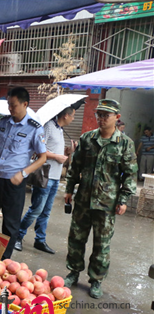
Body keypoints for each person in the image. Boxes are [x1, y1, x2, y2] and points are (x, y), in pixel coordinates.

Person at [63, 99, 137, 299]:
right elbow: (75, 167)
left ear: (117, 117)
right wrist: (69, 189)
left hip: (107, 203)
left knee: (102, 244)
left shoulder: (125, 144)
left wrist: (123, 199)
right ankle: (73, 272)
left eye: (106, 115)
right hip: (83, 200)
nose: (101, 118)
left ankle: (96, 280)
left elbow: (130, 175)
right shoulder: (87, 139)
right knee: (76, 238)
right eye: (99, 114)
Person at [0, 87, 47, 262]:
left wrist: (23, 173)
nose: (10, 109)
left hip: (13, 182)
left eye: (13, 105)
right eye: (9, 105)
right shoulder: (4, 123)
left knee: (10, 223)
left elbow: (42, 157)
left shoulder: (34, 128)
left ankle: (3, 260)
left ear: (25, 104)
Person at [15, 106, 76, 255]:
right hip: (45, 176)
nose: (73, 119)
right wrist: (56, 156)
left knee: (46, 212)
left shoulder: (60, 130)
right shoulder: (49, 126)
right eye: (73, 116)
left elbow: (52, 149)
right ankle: (18, 236)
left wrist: (68, 152)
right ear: (66, 115)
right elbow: (39, 149)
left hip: (55, 177)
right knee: (36, 209)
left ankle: (40, 240)